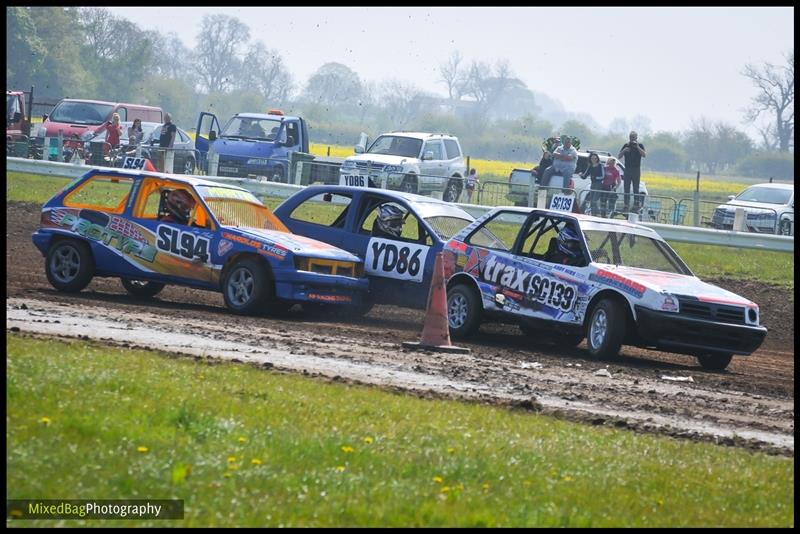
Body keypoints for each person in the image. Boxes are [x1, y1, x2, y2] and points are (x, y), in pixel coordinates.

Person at [617, 131, 646, 213]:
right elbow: (619, 156)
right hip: (627, 169)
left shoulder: (640, 145)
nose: (632, 139)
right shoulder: (626, 145)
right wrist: (624, 151)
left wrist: (637, 147)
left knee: (636, 188)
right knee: (626, 188)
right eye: (631, 137)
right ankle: (626, 205)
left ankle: (636, 205)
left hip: (636, 169)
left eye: (634, 137)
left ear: (636, 137)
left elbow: (644, 155)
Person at [580, 152, 605, 217]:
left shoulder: (600, 165)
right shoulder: (590, 166)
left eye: (595, 158)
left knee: (594, 200)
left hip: (599, 184)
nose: (594, 159)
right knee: (591, 201)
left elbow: (603, 176)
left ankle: (596, 214)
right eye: (592, 158)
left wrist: (595, 177)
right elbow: (585, 176)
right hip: (593, 184)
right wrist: (581, 175)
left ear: (597, 159)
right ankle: (594, 214)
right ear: (590, 159)